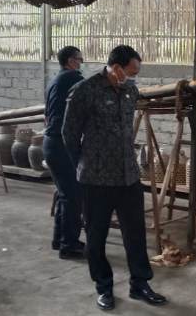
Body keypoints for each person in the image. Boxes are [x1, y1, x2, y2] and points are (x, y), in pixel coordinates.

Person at [62, 45, 166, 311]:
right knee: (96, 237)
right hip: (95, 180)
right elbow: (69, 134)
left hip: (128, 176)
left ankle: (140, 284)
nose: (132, 78)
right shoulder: (85, 91)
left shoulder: (130, 91)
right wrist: (83, 166)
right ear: (116, 67)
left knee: (136, 234)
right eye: (130, 72)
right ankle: (104, 288)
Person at [44, 46, 85, 260]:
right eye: (79, 59)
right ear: (70, 61)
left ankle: (59, 239)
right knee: (73, 196)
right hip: (61, 144)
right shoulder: (73, 78)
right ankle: (69, 246)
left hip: (50, 143)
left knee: (64, 194)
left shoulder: (54, 80)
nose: (81, 63)